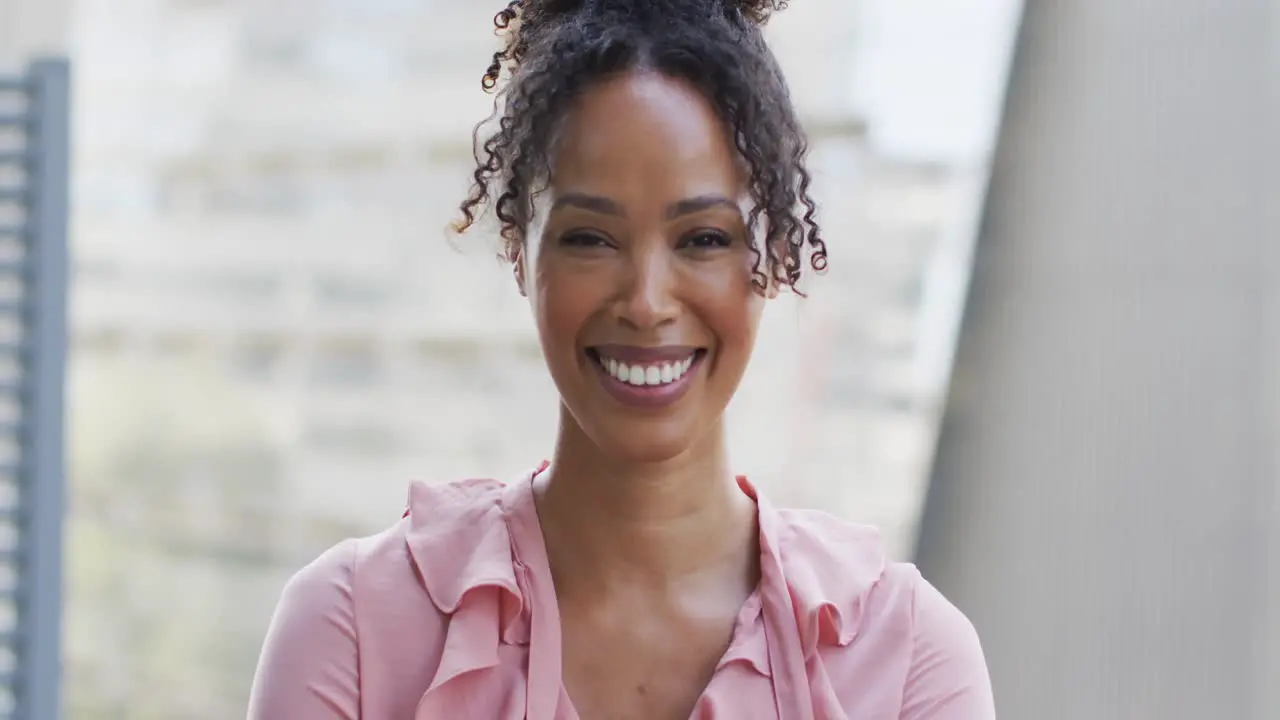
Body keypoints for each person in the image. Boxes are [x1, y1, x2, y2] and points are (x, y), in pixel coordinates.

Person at [247, 0, 996, 717]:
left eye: (703, 239)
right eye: (590, 238)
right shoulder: (351, 628)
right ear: (520, 253)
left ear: (769, 257)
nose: (646, 302)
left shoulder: (906, 658)